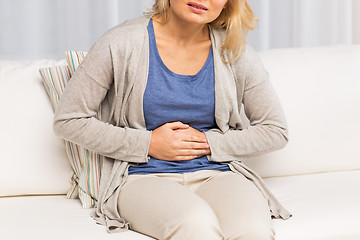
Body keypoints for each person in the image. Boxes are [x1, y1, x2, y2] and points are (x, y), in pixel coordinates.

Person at [54, 0, 291, 239]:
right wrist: (148, 143)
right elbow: (69, 120)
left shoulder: (234, 51)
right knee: (195, 223)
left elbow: (275, 130)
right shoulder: (120, 43)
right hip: (142, 177)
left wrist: (209, 143)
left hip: (217, 174)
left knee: (253, 230)